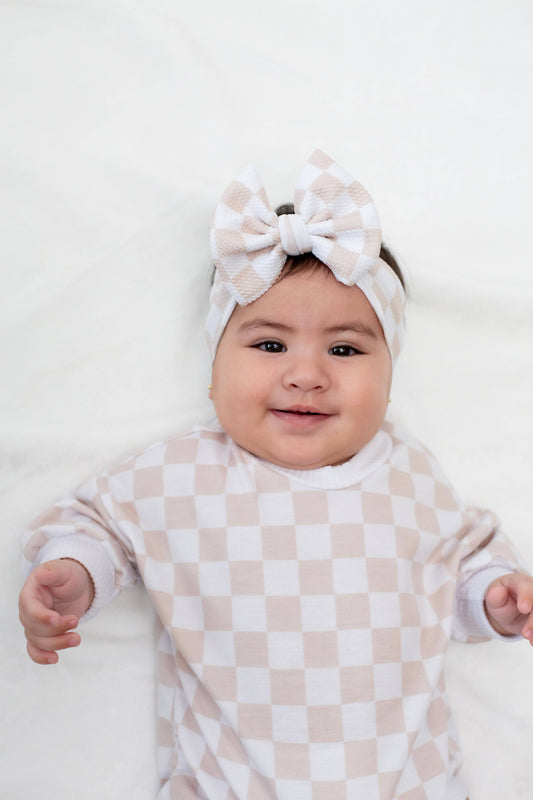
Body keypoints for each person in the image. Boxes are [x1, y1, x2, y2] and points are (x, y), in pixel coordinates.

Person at [18, 150, 533, 800]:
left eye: (344, 349)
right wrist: (76, 571)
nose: (306, 375)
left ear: (389, 378)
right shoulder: (182, 473)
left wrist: (494, 599)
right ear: (214, 370)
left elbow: (459, 563)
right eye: (269, 345)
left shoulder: (409, 473)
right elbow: (98, 522)